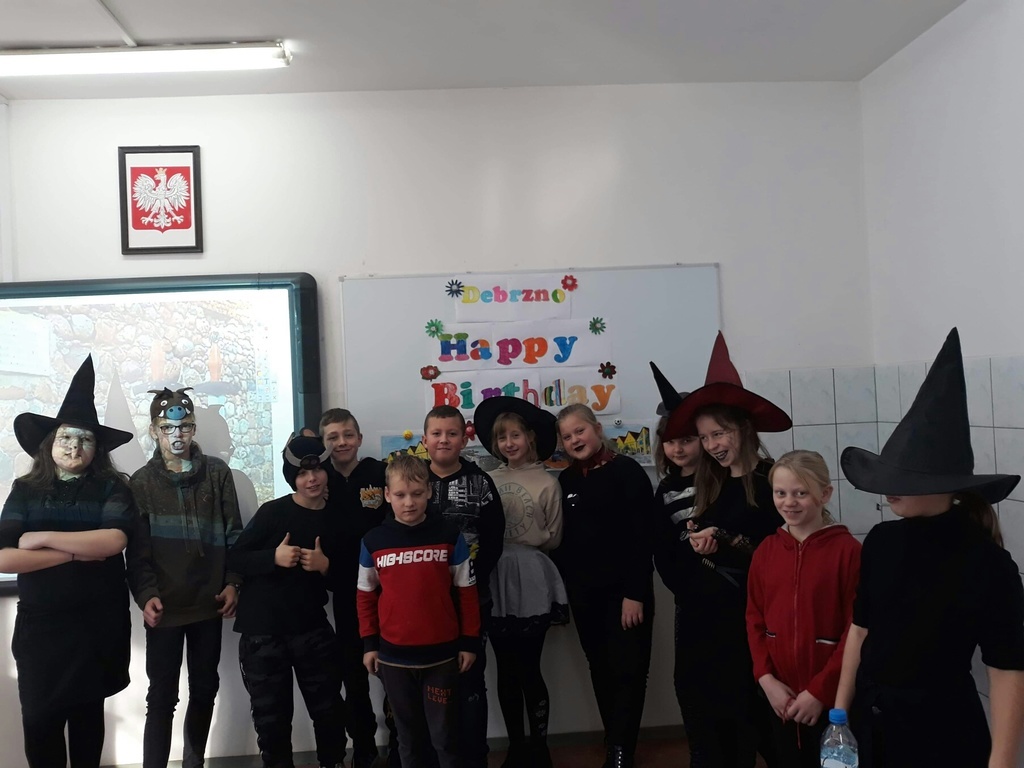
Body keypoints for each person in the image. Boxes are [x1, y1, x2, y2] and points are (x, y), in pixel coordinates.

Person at [835, 328, 1024, 768]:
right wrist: (839, 715)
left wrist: (1001, 761)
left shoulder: (987, 564)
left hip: (943, 733)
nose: (889, 489)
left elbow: (1006, 668)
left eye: (904, 479)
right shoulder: (881, 541)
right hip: (870, 723)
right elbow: (859, 631)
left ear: (946, 485)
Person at [650, 332, 790, 768]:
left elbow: (785, 553)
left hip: (753, 620)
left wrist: (727, 540)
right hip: (704, 618)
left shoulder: (774, 481)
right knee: (709, 717)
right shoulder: (710, 481)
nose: (711, 445)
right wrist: (701, 541)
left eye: (718, 433)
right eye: (704, 436)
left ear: (743, 428)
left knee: (756, 717)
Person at [0, 354, 135, 768]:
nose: (75, 447)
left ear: (97, 448)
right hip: (41, 632)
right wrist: (77, 551)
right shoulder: (25, 489)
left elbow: (113, 541)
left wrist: (41, 540)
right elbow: (4, 557)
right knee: (39, 723)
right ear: (49, 443)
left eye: (85, 439)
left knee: (87, 723)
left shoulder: (113, 487)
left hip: (97, 628)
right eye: (66, 438)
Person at [126, 386, 245, 768]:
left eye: (185, 427)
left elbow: (234, 534)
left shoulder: (217, 473)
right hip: (165, 606)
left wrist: (233, 582)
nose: (176, 435)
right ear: (154, 431)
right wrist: (146, 594)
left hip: (209, 603)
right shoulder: (141, 482)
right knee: (162, 697)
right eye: (167, 428)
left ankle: (194, 763)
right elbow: (137, 551)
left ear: (193, 428)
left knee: (205, 688)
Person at [229, 434, 347, 768]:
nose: (312, 479)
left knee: (329, 710)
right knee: (272, 720)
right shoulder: (273, 512)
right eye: (302, 473)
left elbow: (350, 580)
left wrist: (326, 567)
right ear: (292, 477)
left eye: (318, 470)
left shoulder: (337, 519)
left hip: (311, 629)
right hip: (262, 633)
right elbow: (235, 558)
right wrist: (273, 557)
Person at [357, 454, 480, 768]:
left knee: (446, 737)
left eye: (416, 493)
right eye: (400, 495)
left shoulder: (449, 536)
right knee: (408, 739)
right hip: (393, 659)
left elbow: (467, 592)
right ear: (387, 495)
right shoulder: (373, 541)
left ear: (429, 492)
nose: (409, 502)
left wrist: (469, 641)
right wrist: (370, 644)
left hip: (442, 658)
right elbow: (365, 597)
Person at [554, 403, 654, 768]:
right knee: (600, 668)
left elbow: (643, 537)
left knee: (629, 670)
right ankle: (614, 741)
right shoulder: (566, 481)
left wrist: (635, 593)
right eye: (567, 436)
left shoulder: (627, 471)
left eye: (580, 431)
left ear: (597, 429)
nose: (575, 440)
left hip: (626, 596)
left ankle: (623, 750)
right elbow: (565, 542)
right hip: (585, 597)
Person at [746, 450, 861, 767]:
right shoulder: (766, 551)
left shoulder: (848, 552)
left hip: (831, 700)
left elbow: (856, 628)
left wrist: (820, 692)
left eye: (801, 493)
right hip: (779, 697)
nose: (789, 502)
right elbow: (754, 619)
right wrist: (766, 679)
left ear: (825, 494)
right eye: (780, 493)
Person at [473, 396, 568, 768]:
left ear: (530, 437)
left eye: (515, 435)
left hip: (531, 574)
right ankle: (515, 745)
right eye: (502, 437)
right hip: (495, 573)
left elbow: (554, 536)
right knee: (505, 669)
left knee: (529, 667)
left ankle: (539, 746)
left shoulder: (547, 482)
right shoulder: (489, 480)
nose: (509, 443)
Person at [422, 405, 504, 768]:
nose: (444, 440)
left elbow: (494, 540)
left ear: (464, 439)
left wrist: (470, 583)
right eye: (436, 433)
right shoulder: (411, 480)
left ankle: (475, 758)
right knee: (425, 683)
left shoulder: (480, 482)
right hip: (421, 604)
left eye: (452, 433)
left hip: (471, 599)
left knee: (470, 681)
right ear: (424, 439)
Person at [318, 408, 389, 768]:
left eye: (348, 435)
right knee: (353, 674)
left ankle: (401, 744)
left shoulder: (380, 473)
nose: (342, 442)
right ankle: (363, 747)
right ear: (324, 444)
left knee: (395, 670)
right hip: (345, 592)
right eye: (332, 437)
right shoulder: (319, 480)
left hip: (388, 590)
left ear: (359, 438)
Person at [649, 392, 704, 727]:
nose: (678, 449)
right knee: (688, 679)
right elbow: (662, 547)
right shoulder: (667, 488)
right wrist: (683, 588)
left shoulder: (723, 479)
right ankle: (699, 749)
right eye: (670, 441)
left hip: (732, 595)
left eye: (686, 440)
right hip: (690, 597)